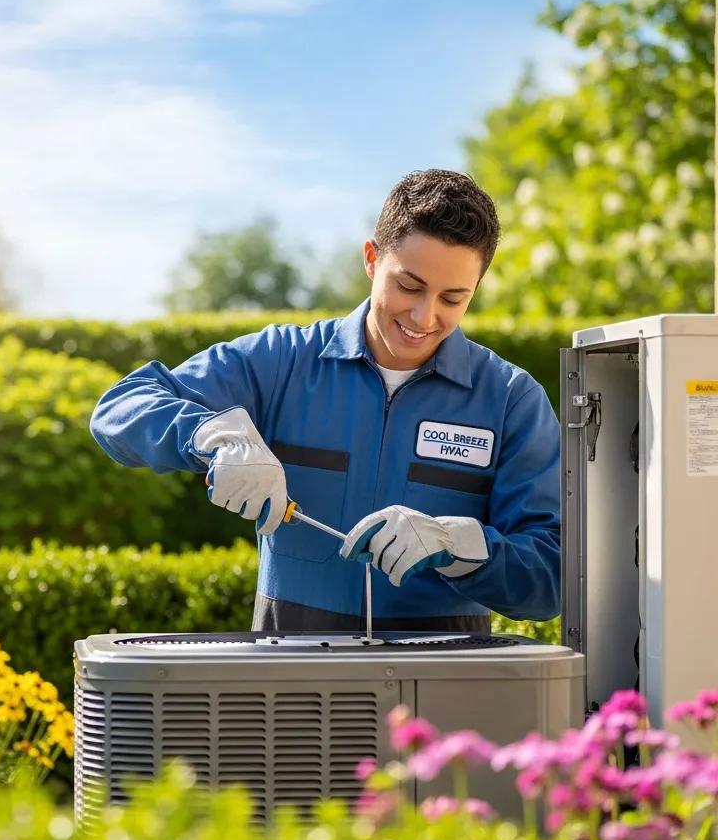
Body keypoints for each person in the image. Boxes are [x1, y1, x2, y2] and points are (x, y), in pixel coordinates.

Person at [90, 169, 560, 633]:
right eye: (409, 286)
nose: (424, 316)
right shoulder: (284, 362)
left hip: (442, 684)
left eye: (453, 298)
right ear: (372, 259)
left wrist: (458, 544)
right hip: (289, 674)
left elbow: (553, 573)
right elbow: (121, 406)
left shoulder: (510, 400)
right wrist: (212, 436)